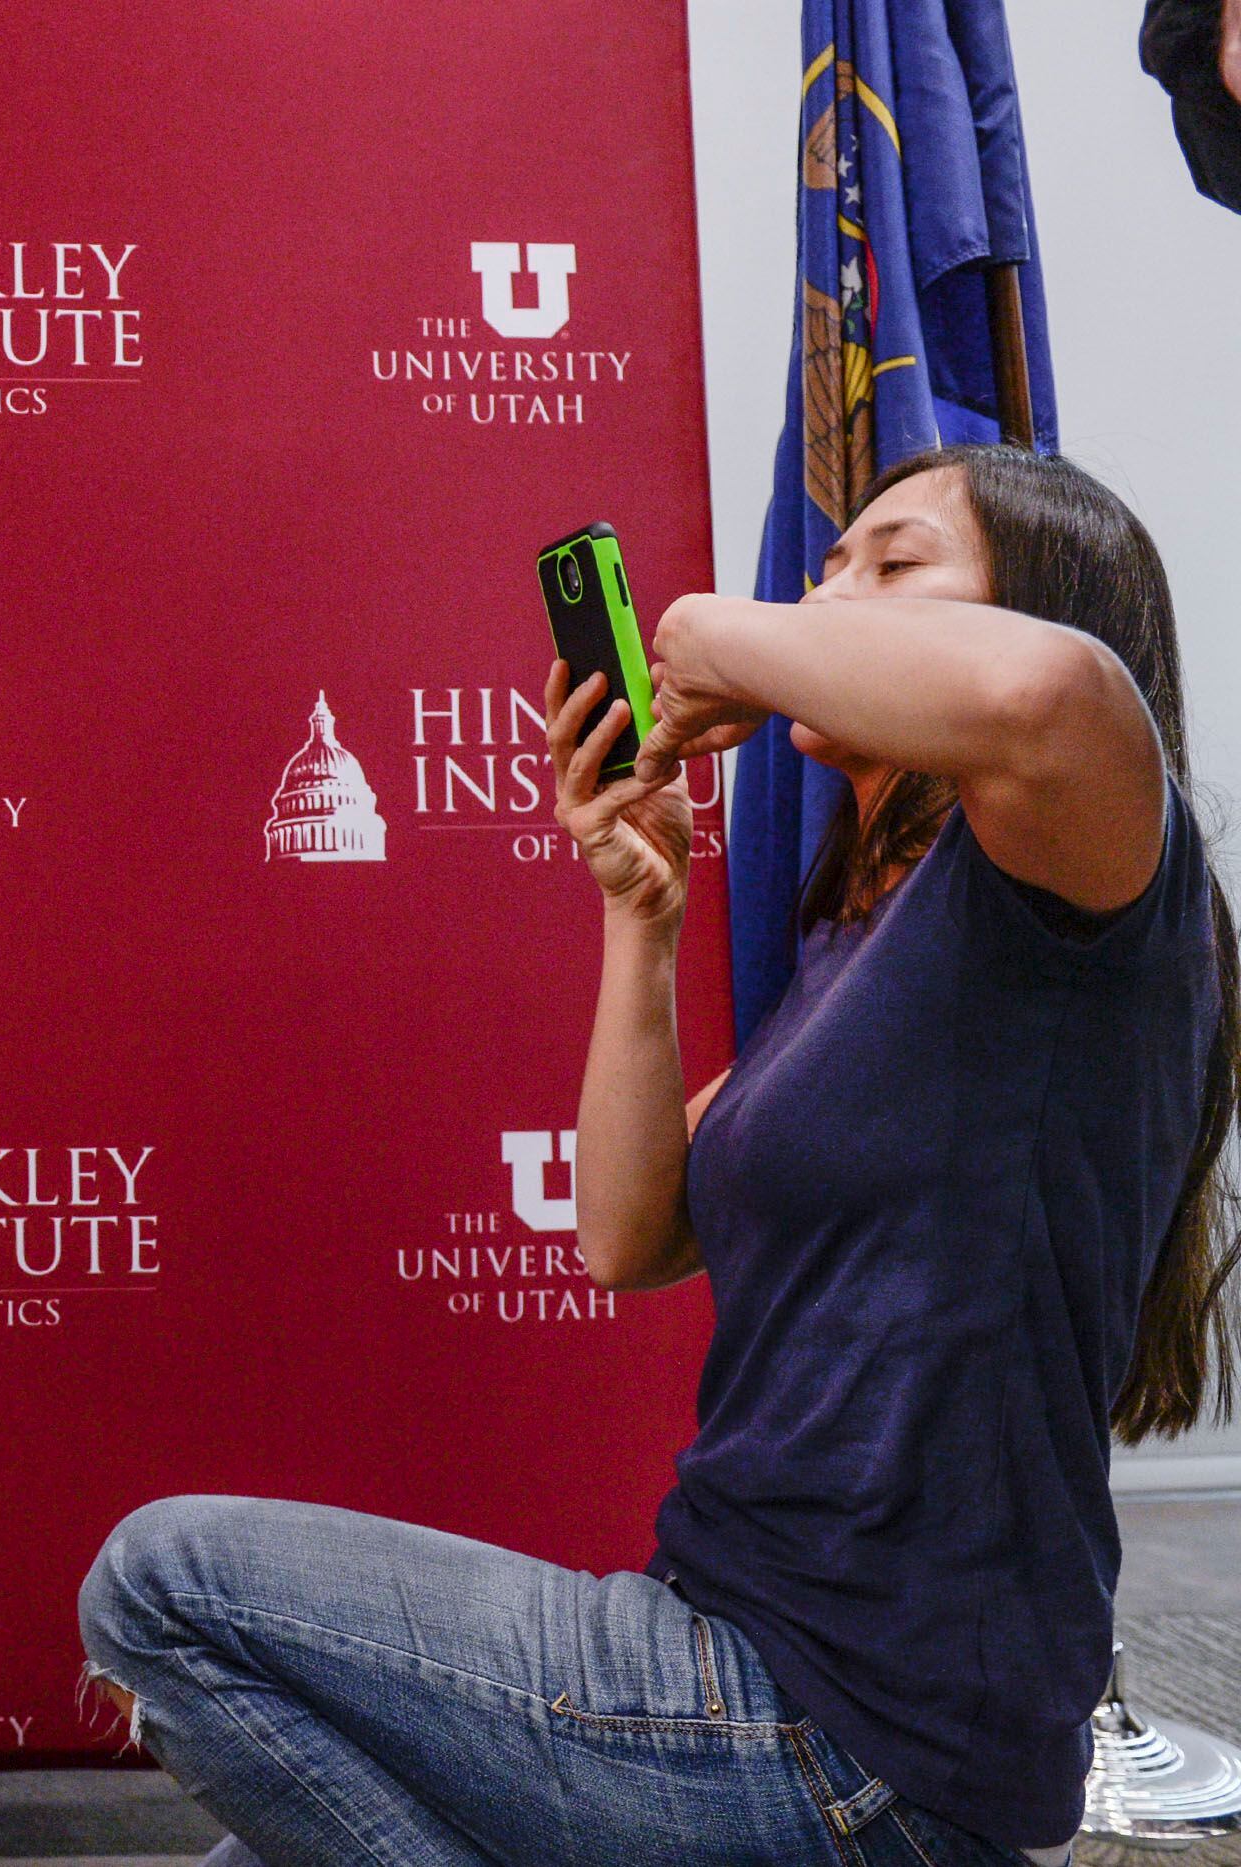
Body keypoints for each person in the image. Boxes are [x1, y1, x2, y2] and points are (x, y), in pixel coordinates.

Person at [80, 446, 1237, 1867]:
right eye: (827, 565)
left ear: (1046, 597)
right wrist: (644, 908)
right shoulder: (853, 939)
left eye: (896, 561)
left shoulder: (1092, 854)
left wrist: (696, 634)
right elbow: (627, 1232)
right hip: (722, 1636)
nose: (829, 593)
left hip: (855, 1733)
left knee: (162, 1581)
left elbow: (1042, 693)